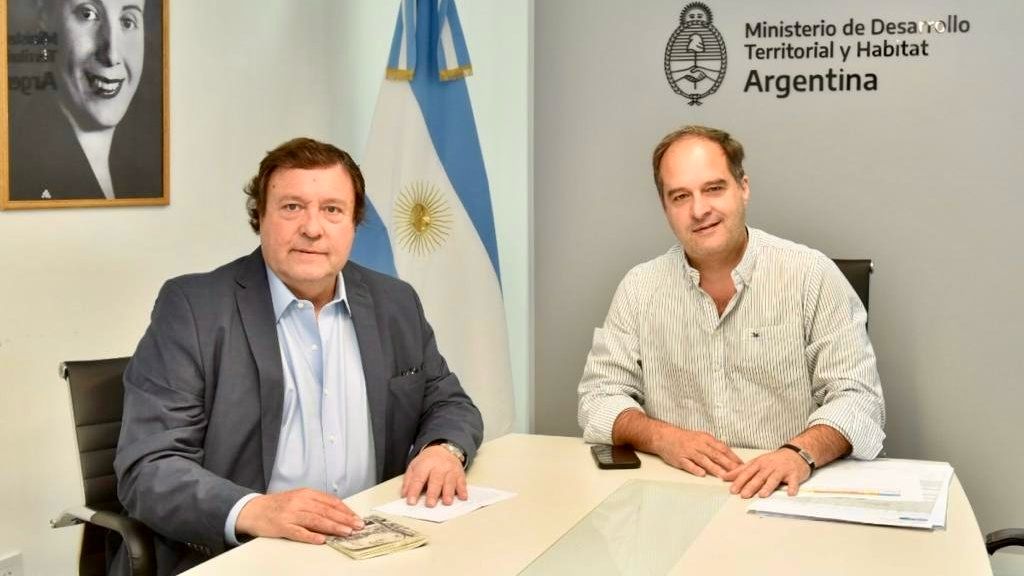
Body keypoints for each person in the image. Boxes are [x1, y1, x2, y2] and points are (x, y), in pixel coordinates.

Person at [114, 138, 483, 575]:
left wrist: (443, 450)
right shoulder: (194, 308)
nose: (312, 228)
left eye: (332, 210)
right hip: (243, 556)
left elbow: (449, 402)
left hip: (369, 550)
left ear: (353, 223)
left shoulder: (394, 303)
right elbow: (149, 467)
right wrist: (255, 509)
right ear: (260, 218)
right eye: (292, 207)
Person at [577, 125, 885, 499]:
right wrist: (661, 437)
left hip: (789, 492)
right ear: (665, 208)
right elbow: (598, 398)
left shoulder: (811, 275)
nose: (699, 210)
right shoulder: (639, 288)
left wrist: (798, 454)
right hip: (679, 495)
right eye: (680, 196)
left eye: (714, 188)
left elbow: (859, 400)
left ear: (743, 188)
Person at [9, 0, 160, 200]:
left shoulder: (141, 172)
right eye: (87, 14)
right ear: (45, 18)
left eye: (127, 21)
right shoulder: (21, 171)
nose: (112, 55)